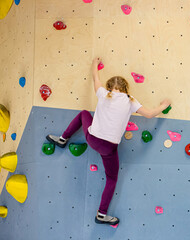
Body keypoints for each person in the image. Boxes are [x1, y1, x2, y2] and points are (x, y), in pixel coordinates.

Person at [46, 57, 171, 225]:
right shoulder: (130, 99)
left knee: (84, 113)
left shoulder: (104, 94)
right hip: (108, 148)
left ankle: (63, 139)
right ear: (126, 88)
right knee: (111, 179)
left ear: (110, 88)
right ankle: (101, 214)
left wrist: (94, 64)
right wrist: (164, 105)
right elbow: (149, 114)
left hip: (92, 138)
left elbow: (95, 79)